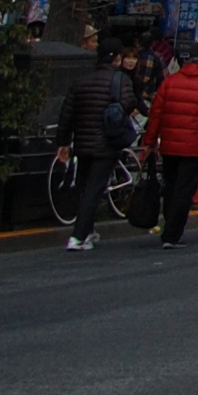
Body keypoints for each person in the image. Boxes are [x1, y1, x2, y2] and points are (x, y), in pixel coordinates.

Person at [142, 37, 198, 249]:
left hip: (169, 144)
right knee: (185, 190)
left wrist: (149, 141)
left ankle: (169, 226)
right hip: (195, 146)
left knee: (171, 186)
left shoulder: (170, 82)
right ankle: (172, 233)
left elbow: (156, 114)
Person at [60, 37, 140, 252]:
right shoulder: (120, 79)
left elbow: (67, 113)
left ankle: (87, 231)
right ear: (116, 58)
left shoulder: (82, 80)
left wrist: (63, 142)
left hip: (82, 142)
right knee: (94, 190)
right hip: (107, 142)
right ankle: (78, 236)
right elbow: (129, 102)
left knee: (85, 187)